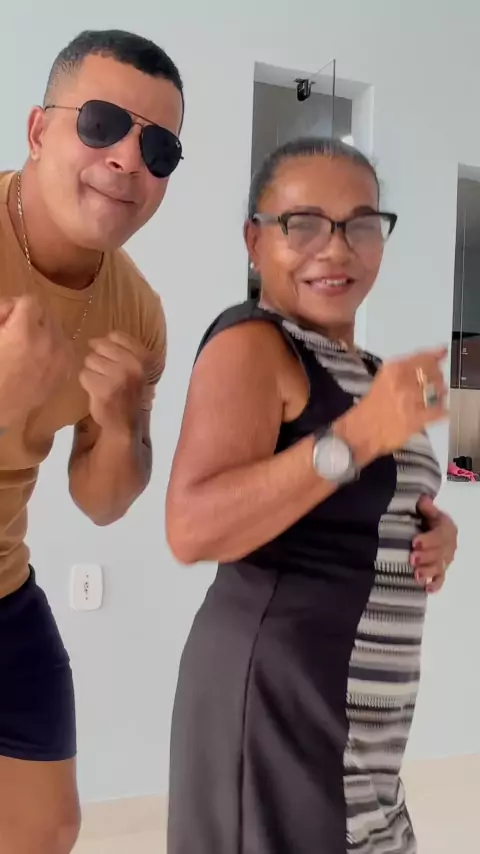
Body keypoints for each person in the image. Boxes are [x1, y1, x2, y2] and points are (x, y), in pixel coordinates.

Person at [165, 137, 458, 854]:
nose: (336, 248)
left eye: (361, 224)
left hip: (360, 720)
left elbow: (361, 503)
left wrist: (432, 533)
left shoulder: (375, 371)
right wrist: (358, 436)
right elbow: (192, 526)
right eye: (303, 224)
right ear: (254, 240)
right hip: (280, 697)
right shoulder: (254, 344)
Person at [0, 29, 183, 854]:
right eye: (102, 122)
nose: (126, 159)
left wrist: (124, 424)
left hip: (5, 586)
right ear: (39, 130)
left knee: (47, 826)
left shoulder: (137, 314)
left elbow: (102, 503)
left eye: (159, 148)